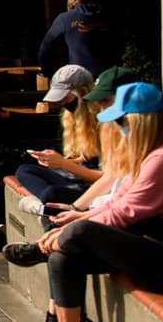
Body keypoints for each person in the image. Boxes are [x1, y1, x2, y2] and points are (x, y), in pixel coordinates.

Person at [4, 83, 163, 322]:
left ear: (140, 122)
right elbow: (121, 201)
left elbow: (126, 212)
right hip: (145, 244)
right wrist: (78, 215)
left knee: (80, 233)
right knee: (63, 258)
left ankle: (37, 250)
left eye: (122, 121)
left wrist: (74, 226)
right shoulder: (147, 156)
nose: (118, 128)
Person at [14, 65, 103, 216]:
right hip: (76, 180)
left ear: (82, 94)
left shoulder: (103, 122)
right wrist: (55, 161)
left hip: (94, 188)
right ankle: (45, 203)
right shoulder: (76, 118)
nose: (62, 103)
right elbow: (86, 159)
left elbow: (106, 177)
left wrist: (64, 164)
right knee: (24, 170)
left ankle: (44, 204)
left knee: (51, 193)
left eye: (65, 97)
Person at [38, 0, 116, 77]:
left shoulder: (64, 18)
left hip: (80, 75)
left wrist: (46, 70)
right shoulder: (108, 15)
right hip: (109, 74)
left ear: (71, 6)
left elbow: (46, 46)